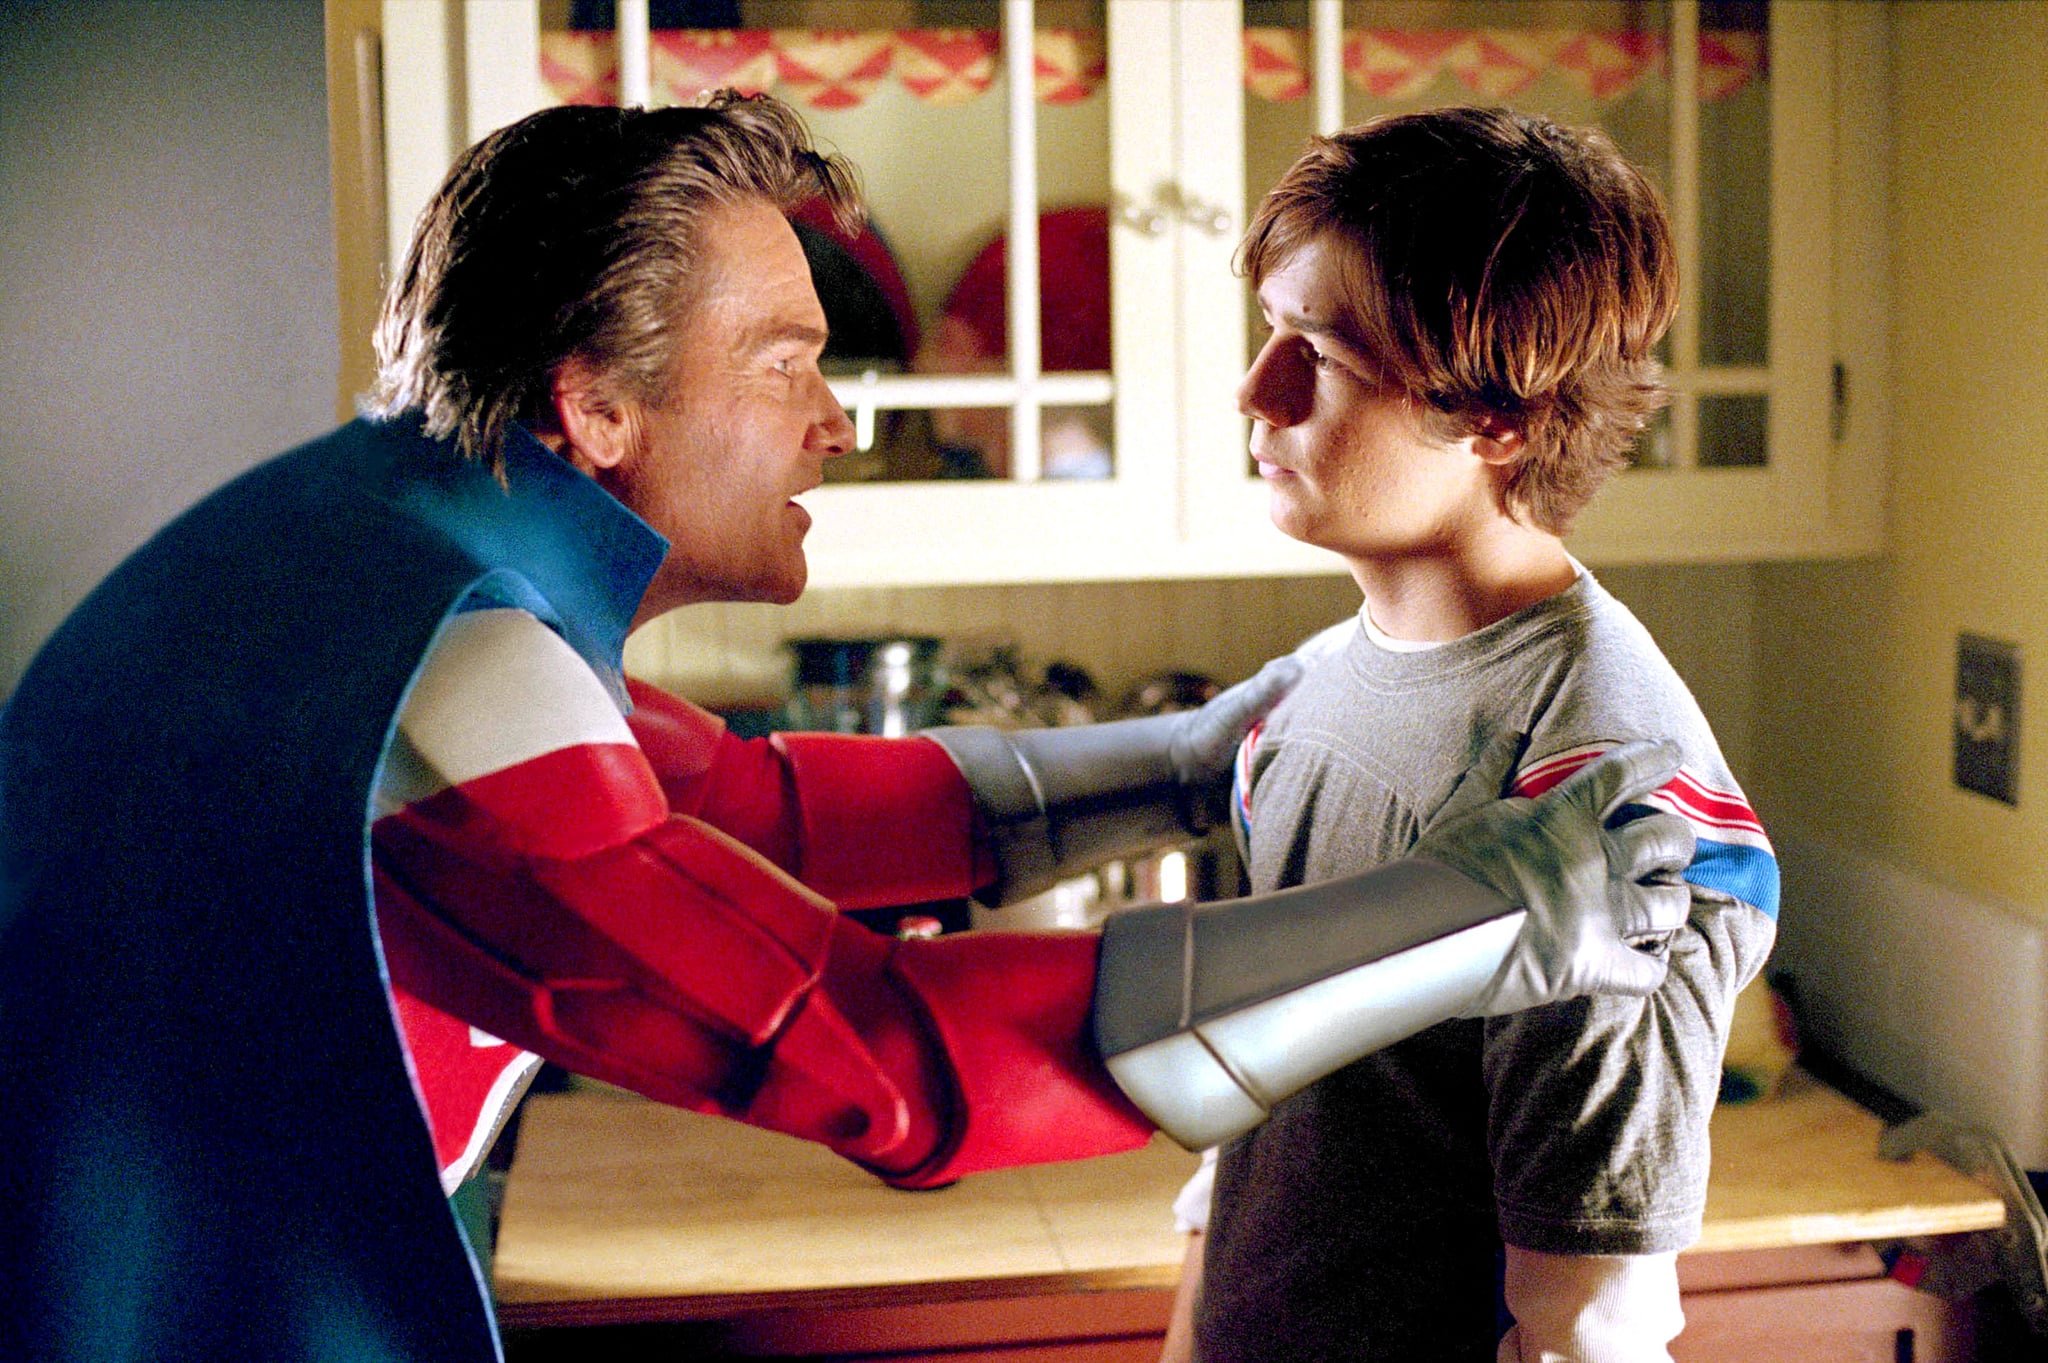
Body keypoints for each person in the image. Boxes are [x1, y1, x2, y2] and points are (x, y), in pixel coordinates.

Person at [0, 94, 1696, 1363]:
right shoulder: (440, 671)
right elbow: (883, 1057)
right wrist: (1496, 908)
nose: (836, 421)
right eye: (783, 364)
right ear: (595, 405)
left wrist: (1190, 757)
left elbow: (743, 803)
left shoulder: (386, 549)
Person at [1155, 107, 1782, 1363]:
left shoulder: (1600, 796)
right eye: (1269, 330)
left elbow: (1585, 1329)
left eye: (1319, 353)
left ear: (1498, 415)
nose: (1255, 389)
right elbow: (1260, 1149)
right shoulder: (1312, 692)